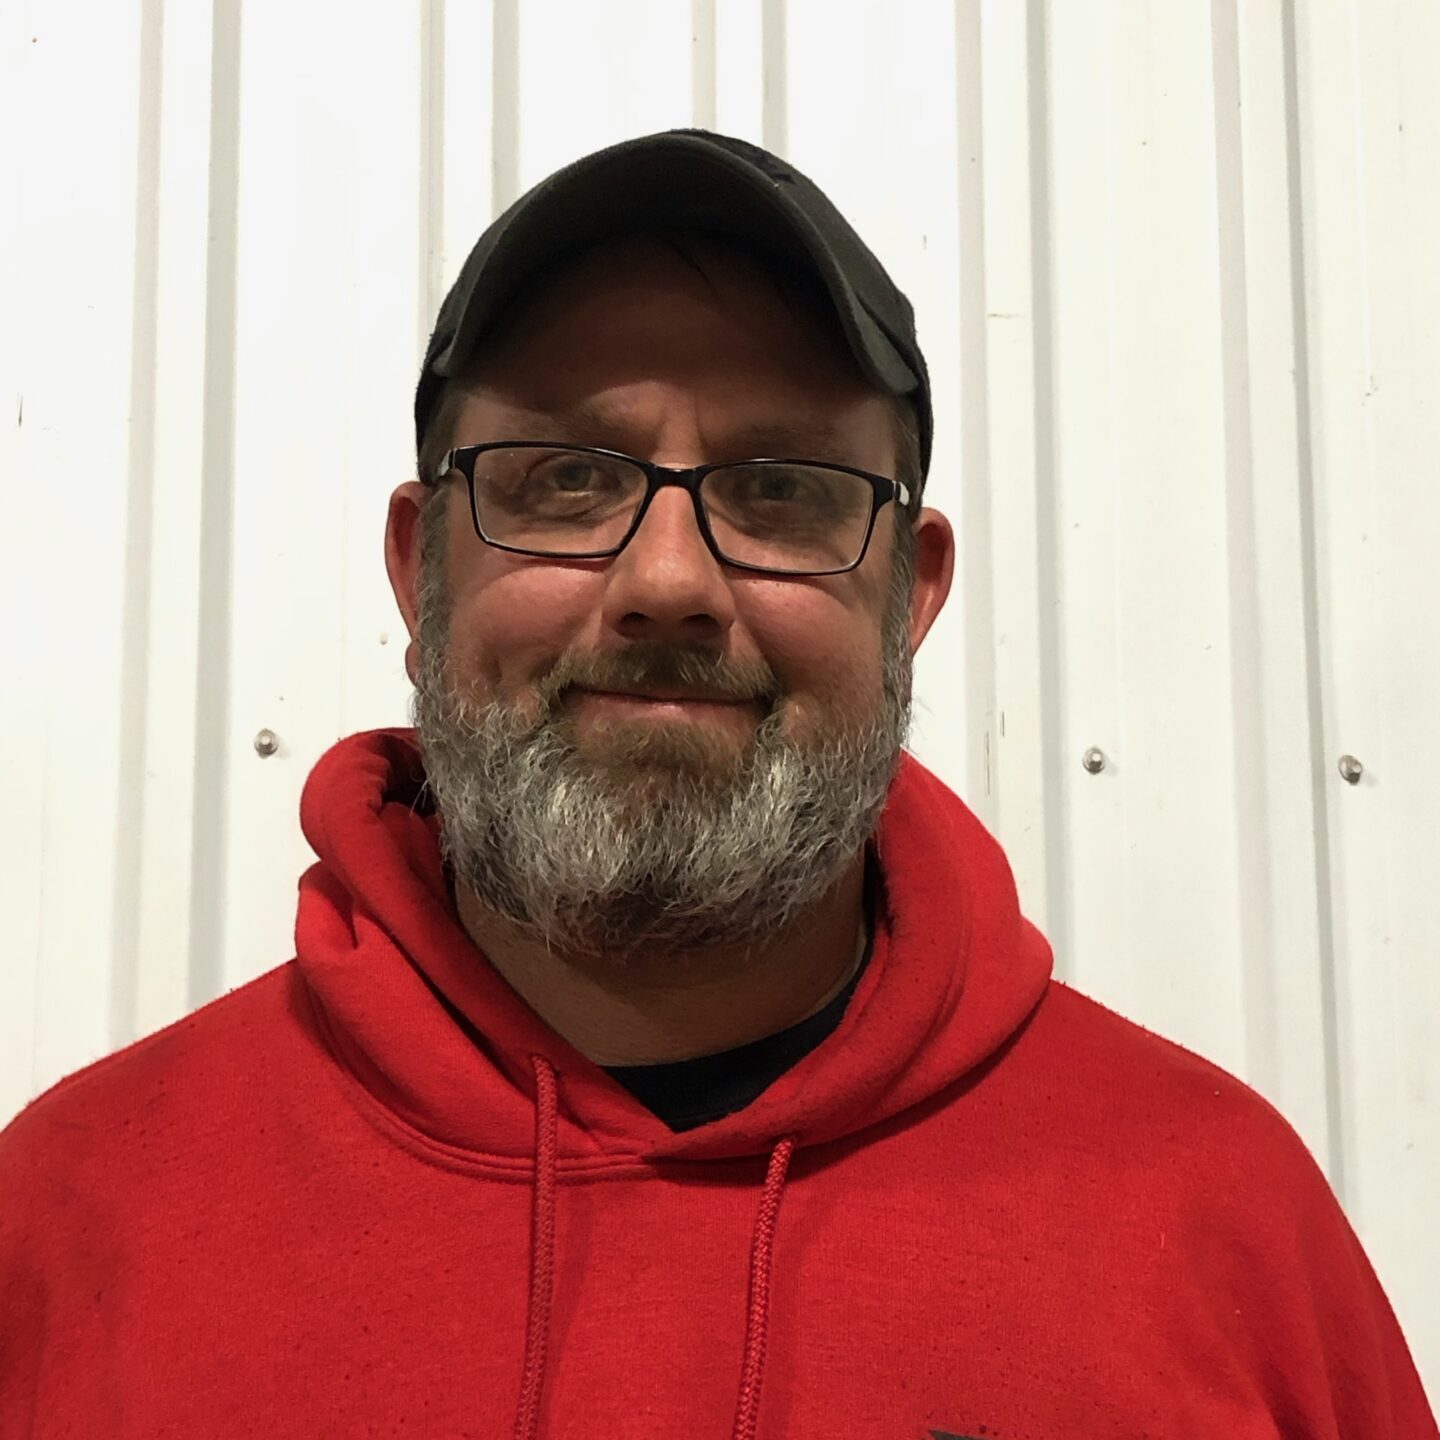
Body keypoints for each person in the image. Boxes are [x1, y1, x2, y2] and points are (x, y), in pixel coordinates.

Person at [0, 130, 1433, 1439]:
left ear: (911, 594)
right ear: (416, 566)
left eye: (785, 490)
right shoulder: (69, 1219)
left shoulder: (1224, 1225)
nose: (669, 581)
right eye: (564, 478)